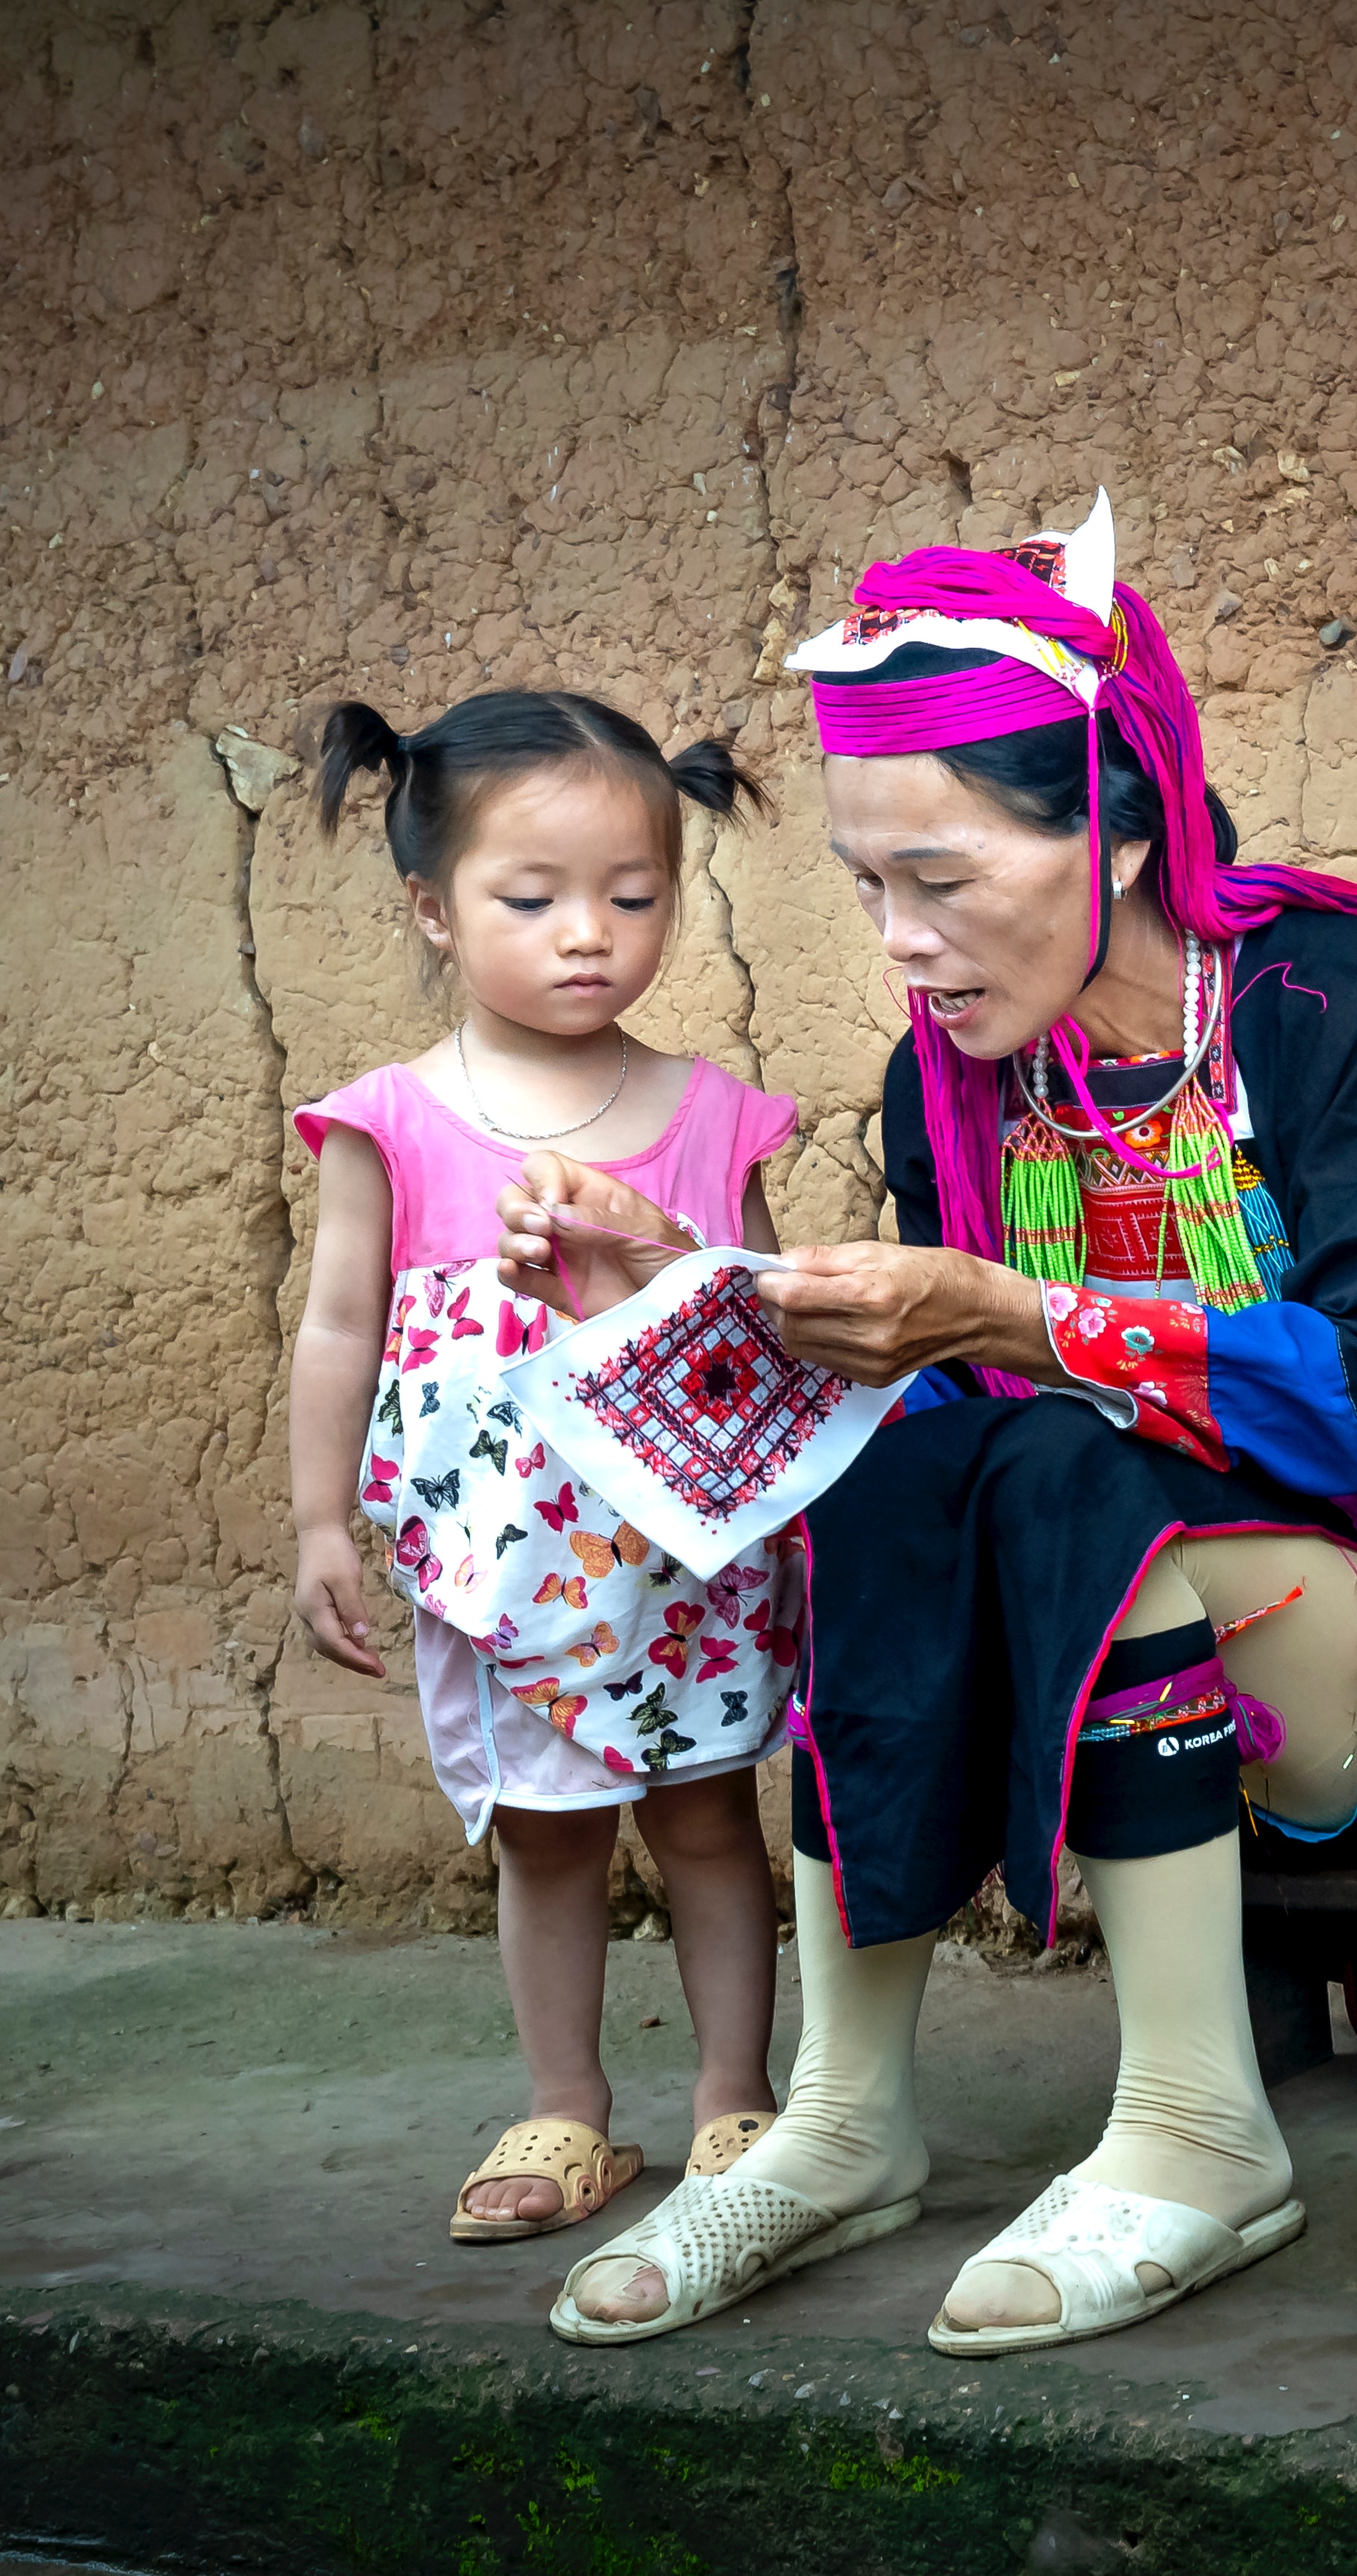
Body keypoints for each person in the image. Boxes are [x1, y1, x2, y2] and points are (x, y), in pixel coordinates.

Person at [525, 493, 1357, 2355]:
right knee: (905, 1468)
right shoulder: (960, 1076)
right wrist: (702, 1292)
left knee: (1075, 1452)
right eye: (864, 887)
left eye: (942, 877)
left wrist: (1021, 1313)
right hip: (1140, 1583)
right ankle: (845, 2112)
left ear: (1122, 821)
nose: (901, 941)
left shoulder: (1345, 1006)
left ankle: (1195, 2126)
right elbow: (949, 1400)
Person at [285, 692, 792, 2247]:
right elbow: (339, 1324)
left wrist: (662, 1255)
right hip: (503, 1570)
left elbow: (768, 1325)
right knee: (545, 1830)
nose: (591, 934)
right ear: (432, 910)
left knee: (709, 1819)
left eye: (633, 897)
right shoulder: (395, 1122)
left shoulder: (711, 1113)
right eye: (534, 899)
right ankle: (569, 2105)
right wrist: (320, 1517)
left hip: (685, 1560)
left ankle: (732, 2098)